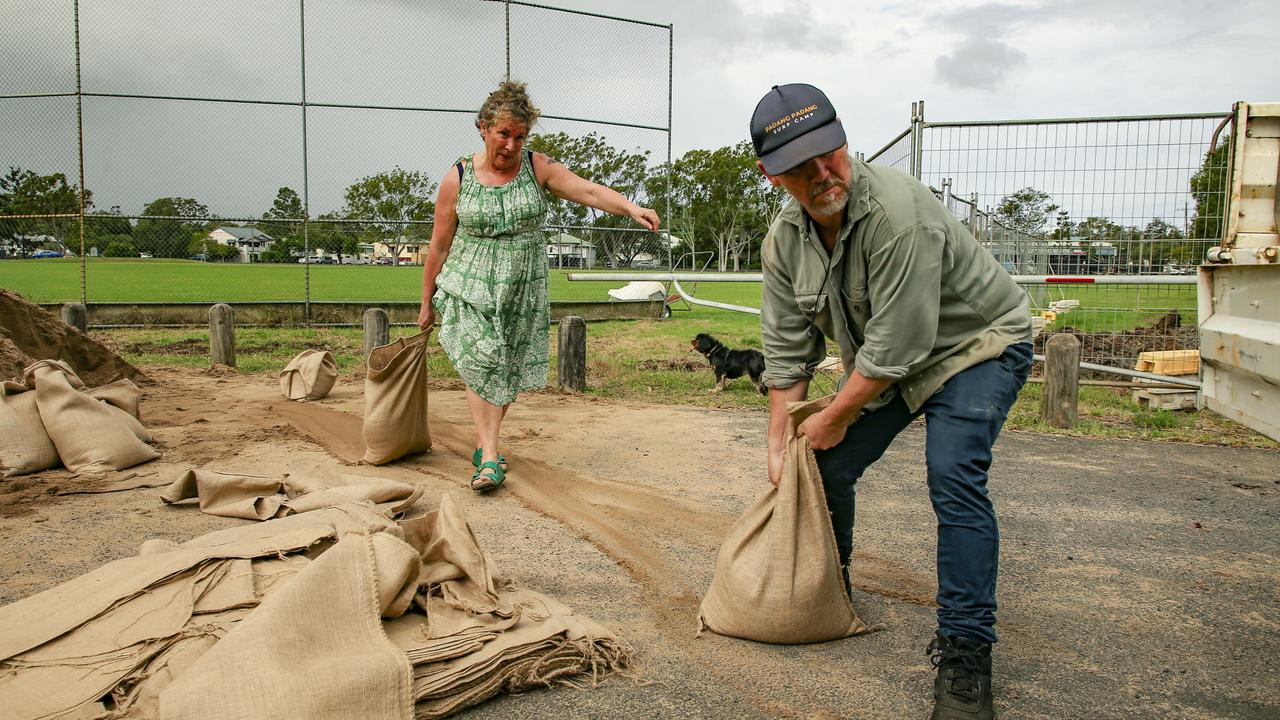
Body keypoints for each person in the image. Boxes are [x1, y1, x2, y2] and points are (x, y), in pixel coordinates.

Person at [750, 83, 1032, 720]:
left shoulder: (901, 215)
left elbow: (896, 348)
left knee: (953, 476)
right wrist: (781, 443)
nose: (823, 173)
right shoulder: (784, 244)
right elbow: (786, 350)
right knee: (819, 462)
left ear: (844, 139)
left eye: (831, 152)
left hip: (977, 346)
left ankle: (966, 656)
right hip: (895, 363)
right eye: (800, 165)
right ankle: (831, 589)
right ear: (772, 176)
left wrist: (832, 415)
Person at [418, 81, 660, 493]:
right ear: (482, 128)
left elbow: (586, 190)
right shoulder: (457, 177)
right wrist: (425, 302)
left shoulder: (536, 167)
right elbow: (440, 243)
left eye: (520, 136)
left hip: (522, 285)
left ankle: (484, 445)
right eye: (503, 134)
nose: (511, 145)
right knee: (483, 361)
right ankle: (491, 458)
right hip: (470, 282)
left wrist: (631, 207)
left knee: (506, 367)